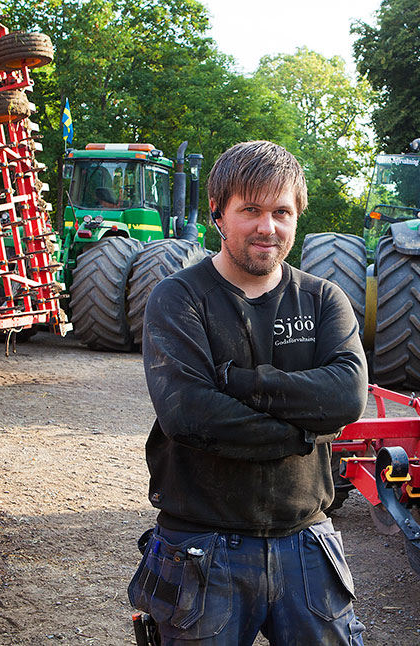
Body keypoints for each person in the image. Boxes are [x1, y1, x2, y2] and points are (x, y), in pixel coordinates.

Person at [129, 140, 368, 645]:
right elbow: (191, 416)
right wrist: (307, 431)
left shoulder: (324, 300)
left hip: (307, 543)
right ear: (218, 214)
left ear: (297, 216)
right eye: (251, 210)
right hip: (200, 547)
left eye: (282, 211)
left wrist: (240, 382)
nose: (268, 227)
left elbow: (347, 398)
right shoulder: (179, 298)